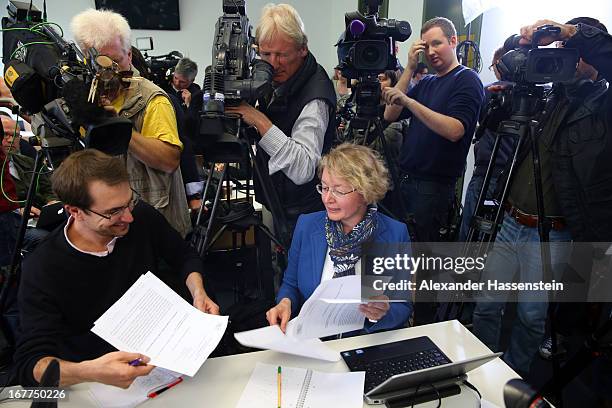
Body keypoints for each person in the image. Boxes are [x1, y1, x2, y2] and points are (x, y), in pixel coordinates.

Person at [472, 17, 612, 376]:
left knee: (532, 317)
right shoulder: (548, 94)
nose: (568, 59)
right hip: (510, 219)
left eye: (576, 52)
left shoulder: (604, 105)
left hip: (552, 233)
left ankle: (511, 377)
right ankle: (482, 370)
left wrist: (571, 33)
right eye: (564, 51)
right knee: (487, 305)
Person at [13, 149, 219, 387]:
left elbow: (184, 256)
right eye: (113, 212)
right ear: (75, 211)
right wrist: (88, 371)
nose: (128, 217)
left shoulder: (141, 217)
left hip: (166, 360)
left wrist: (197, 291)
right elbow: (31, 364)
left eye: (128, 202)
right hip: (97, 382)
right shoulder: (42, 267)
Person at [266, 143, 412, 333]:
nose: (328, 198)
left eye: (338, 190)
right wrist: (285, 302)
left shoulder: (394, 233)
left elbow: (403, 307)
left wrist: (381, 313)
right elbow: (291, 284)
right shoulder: (307, 226)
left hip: (365, 344)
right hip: (313, 340)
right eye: (324, 188)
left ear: (366, 192)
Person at [71, 9, 191, 238]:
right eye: (99, 64)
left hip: (151, 228)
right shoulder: (84, 96)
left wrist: (116, 125)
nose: (109, 73)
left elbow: (168, 160)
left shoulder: (151, 100)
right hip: (102, 227)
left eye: (115, 61)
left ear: (129, 54)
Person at [227, 3, 336, 237]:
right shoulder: (275, 75)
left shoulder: (315, 98)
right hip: (275, 200)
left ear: (303, 49)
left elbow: (304, 168)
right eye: (266, 54)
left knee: (298, 272)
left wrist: (258, 120)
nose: (273, 64)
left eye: (282, 55)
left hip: (303, 213)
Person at [383, 17, 485, 243]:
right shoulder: (427, 82)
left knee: (420, 257)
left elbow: (455, 130)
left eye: (437, 43)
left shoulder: (467, 79)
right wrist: (409, 68)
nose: (430, 52)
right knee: (396, 250)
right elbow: (390, 114)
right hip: (405, 179)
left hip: (432, 187)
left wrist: (409, 102)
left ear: (453, 41)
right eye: (426, 46)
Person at [458, 46, 516, 241]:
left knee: (470, 235)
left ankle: (463, 270)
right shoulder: (535, 97)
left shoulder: (491, 93)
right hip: (514, 179)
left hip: (487, 174)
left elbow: (483, 121)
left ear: (500, 66)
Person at [1, 116, 58, 253]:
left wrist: (52, 201)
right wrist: (19, 209)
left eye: (16, 135)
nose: (11, 140)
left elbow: (49, 187)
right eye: (5, 134)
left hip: (41, 218)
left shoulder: (29, 161)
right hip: (13, 224)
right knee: (47, 239)